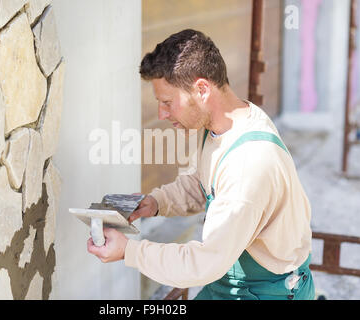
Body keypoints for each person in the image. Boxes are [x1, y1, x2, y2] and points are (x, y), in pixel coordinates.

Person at [87, 29, 315, 300]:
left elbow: (205, 263)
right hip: (231, 278)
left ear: (202, 89)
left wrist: (130, 251)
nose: (161, 114)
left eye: (167, 102)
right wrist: (156, 202)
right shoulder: (223, 124)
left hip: (268, 291)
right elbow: (204, 182)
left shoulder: (249, 164)